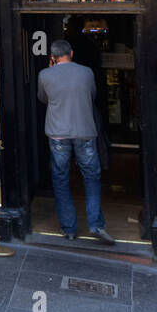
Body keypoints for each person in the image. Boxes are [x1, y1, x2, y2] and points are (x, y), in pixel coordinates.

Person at [39, 39, 114, 244]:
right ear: (71, 52)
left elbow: (43, 99)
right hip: (84, 132)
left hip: (57, 134)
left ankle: (69, 229)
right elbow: (91, 95)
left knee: (61, 180)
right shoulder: (87, 72)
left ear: (52, 58)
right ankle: (96, 225)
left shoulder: (45, 75)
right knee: (91, 178)